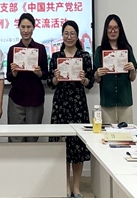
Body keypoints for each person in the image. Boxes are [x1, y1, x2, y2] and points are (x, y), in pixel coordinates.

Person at [47, 20, 94, 198]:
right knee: (63, 146)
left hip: (78, 104)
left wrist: (84, 79)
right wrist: (56, 78)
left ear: (77, 35)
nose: (69, 36)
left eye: (72, 33)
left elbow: (90, 83)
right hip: (61, 105)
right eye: (66, 33)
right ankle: (66, 186)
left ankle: (77, 187)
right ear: (62, 35)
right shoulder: (56, 57)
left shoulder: (85, 56)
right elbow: (50, 83)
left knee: (78, 146)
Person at [6, 13, 48, 142]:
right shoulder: (13, 49)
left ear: (33, 28)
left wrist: (39, 73)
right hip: (16, 99)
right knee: (15, 138)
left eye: (28, 27)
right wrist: (13, 73)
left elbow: (46, 74)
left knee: (32, 138)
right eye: (23, 27)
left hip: (35, 100)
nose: (25, 30)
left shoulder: (40, 49)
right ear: (18, 27)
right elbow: (8, 76)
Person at [93, 14, 137, 124]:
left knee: (127, 131)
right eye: (109, 28)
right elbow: (96, 79)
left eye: (115, 27)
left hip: (125, 100)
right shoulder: (100, 50)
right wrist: (97, 74)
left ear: (120, 29)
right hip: (107, 101)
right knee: (108, 132)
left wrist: (132, 70)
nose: (112, 31)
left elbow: (132, 78)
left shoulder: (127, 49)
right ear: (106, 30)